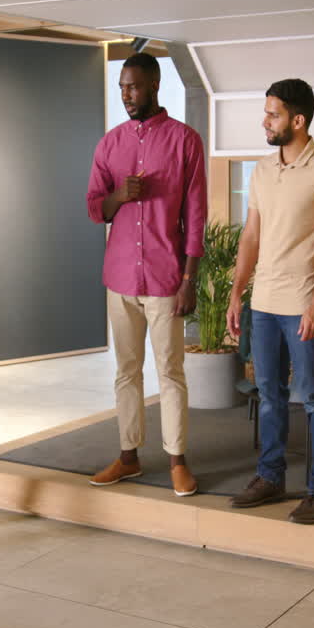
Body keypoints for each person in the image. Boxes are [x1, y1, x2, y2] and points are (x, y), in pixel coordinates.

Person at [226, 79, 314, 524]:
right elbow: (251, 236)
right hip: (264, 302)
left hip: (303, 302)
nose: (265, 120)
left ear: (298, 120)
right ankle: (271, 477)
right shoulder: (261, 170)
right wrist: (238, 290)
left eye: (273, 114)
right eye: (266, 112)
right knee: (269, 394)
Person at [85, 53, 207, 496]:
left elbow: (196, 215)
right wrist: (120, 196)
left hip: (166, 276)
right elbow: (95, 207)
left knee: (170, 371)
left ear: (154, 84)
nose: (126, 95)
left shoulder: (184, 141)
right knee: (126, 371)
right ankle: (129, 456)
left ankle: (177, 460)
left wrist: (190, 279)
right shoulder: (110, 144)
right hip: (119, 276)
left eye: (133, 87)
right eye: (121, 88)